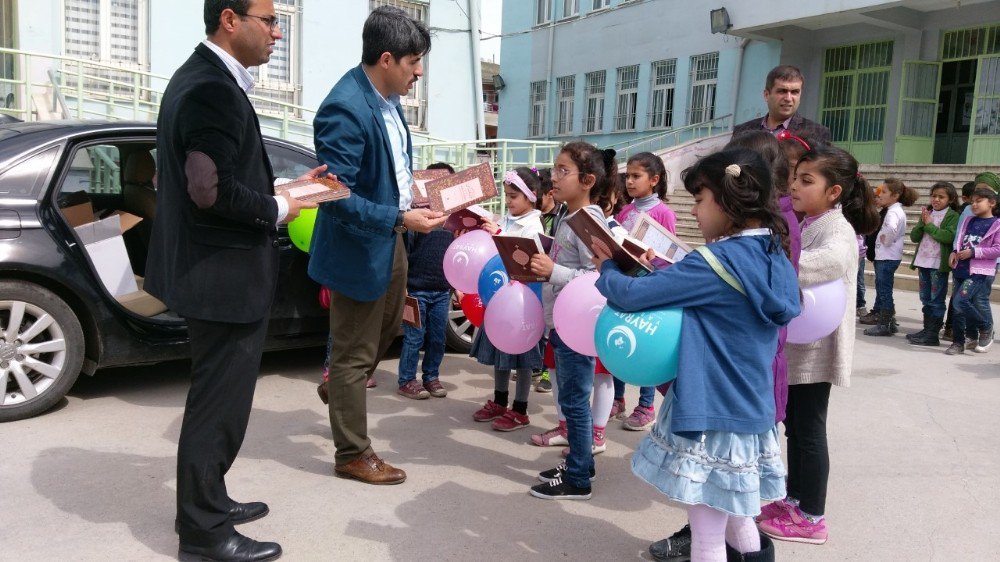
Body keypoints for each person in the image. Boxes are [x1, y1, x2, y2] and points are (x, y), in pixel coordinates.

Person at [145, 1, 322, 559]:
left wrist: (291, 190)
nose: (277, 31)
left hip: (214, 274)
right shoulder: (212, 87)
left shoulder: (205, 78)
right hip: (222, 281)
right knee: (216, 408)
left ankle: (210, 501)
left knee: (216, 403)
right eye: (269, 20)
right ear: (230, 19)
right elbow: (209, 189)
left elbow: (223, 170)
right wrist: (277, 208)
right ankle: (203, 534)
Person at [597, 148, 799, 561]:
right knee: (739, 517)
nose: (696, 211)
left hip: (709, 409)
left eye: (700, 200)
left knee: (708, 536)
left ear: (728, 201)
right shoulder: (774, 254)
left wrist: (609, 268)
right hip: (750, 408)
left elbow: (633, 297)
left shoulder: (716, 261)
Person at [309, 6, 445, 485]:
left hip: (392, 239)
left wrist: (420, 195)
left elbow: (389, 170)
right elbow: (336, 195)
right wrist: (399, 215)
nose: (420, 71)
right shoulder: (344, 106)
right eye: (414, 62)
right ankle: (352, 453)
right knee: (352, 354)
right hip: (358, 248)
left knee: (388, 327)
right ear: (386, 58)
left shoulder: (388, 100)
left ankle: (342, 393)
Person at [758, 145, 880, 545]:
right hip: (799, 346)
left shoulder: (837, 229)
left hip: (817, 349)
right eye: (795, 177)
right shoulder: (808, 220)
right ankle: (795, 498)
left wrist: (767, 258)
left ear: (835, 192)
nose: (794, 185)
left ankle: (811, 516)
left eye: (806, 181)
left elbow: (820, 264)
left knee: (809, 431)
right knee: (796, 427)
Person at [527, 142, 615, 500]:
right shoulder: (566, 215)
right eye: (555, 168)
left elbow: (600, 277)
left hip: (578, 325)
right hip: (563, 322)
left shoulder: (589, 220)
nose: (555, 177)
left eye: (564, 171)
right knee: (573, 400)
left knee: (577, 401)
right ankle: (581, 461)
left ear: (588, 180)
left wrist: (553, 270)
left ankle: (579, 477)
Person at [470, 167, 546, 431]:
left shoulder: (534, 226)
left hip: (523, 303)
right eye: (507, 196)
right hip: (501, 298)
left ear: (530, 196)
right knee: (501, 353)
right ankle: (500, 401)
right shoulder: (509, 219)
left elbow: (522, 257)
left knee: (521, 357)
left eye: (514, 196)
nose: (509, 201)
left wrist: (498, 235)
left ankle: (521, 409)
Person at [609, 152, 678, 431]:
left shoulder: (663, 213)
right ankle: (617, 397)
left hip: (648, 286)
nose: (630, 181)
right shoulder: (625, 211)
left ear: (654, 180)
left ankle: (646, 405)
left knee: (644, 344)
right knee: (618, 340)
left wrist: (651, 262)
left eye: (637, 176)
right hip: (624, 283)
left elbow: (668, 252)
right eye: (628, 176)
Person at [396, 162, 456, 400]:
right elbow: (405, 254)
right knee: (414, 337)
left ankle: (431, 376)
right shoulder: (416, 219)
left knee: (438, 337)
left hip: (442, 291)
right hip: (417, 290)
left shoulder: (455, 221)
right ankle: (407, 380)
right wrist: (404, 288)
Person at [945, 187, 999, 355]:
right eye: (972, 201)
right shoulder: (968, 220)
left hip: (979, 271)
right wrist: (954, 252)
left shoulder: (996, 224)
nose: (974, 205)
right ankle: (958, 342)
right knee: (958, 307)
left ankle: (985, 327)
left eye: (979, 201)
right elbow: (960, 240)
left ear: (992, 203)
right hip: (960, 268)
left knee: (960, 302)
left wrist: (974, 252)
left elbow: (997, 249)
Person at [905, 182, 960, 347]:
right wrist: (923, 223)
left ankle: (932, 335)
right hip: (923, 261)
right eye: (934, 196)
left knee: (936, 300)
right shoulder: (928, 213)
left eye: (941, 197)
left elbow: (948, 237)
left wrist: (929, 225)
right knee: (926, 298)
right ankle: (926, 329)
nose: (936, 199)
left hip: (938, 264)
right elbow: (915, 237)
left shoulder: (952, 216)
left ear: (950, 199)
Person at [864, 178, 918, 337]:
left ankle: (884, 323)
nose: (881, 194)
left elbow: (891, 229)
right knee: (884, 288)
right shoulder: (895, 210)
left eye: (885, 192)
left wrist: (885, 240)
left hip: (887, 256)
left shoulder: (893, 212)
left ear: (895, 195)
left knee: (884, 290)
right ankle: (890, 321)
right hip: (888, 256)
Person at [732, 65, 832, 143]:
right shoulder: (742, 131)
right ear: (766, 95)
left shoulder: (816, 133)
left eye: (795, 92)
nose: (788, 98)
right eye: (782, 91)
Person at [533, 167, 559, 393]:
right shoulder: (535, 215)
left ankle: (545, 372)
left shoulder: (561, 215)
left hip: (554, 277)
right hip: (537, 277)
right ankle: (536, 365)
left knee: (549, 330)